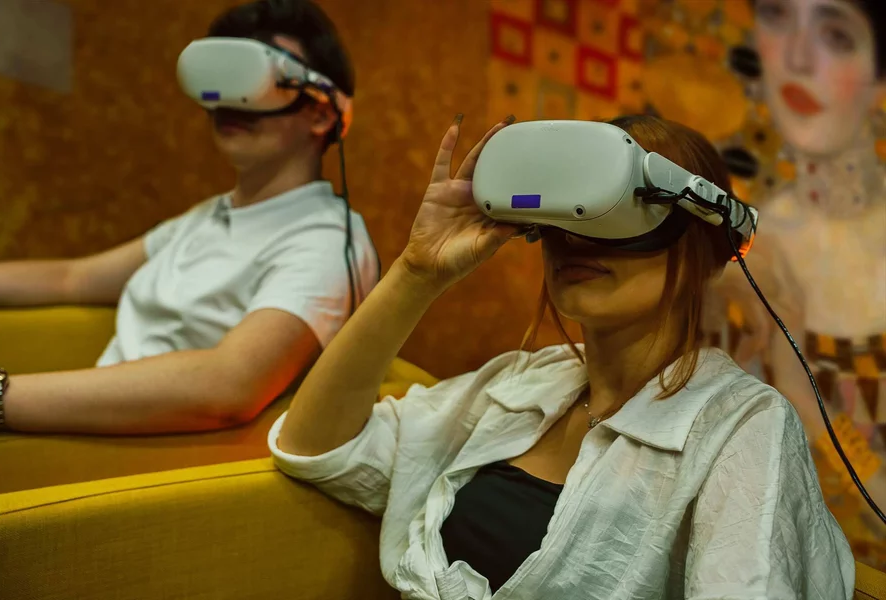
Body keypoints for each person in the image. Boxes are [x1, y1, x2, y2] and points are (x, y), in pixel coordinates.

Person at [268, 114, 853, 599]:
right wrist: (417, 273)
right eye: (568, 212)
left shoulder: (741, 426)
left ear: (709, 245)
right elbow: (316, 446)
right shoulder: (520, 384)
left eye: (617, 212)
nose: (575, 239)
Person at [0, 0, 378, 435]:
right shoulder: (209, 217)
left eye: (252, 79)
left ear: (321, 113)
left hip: (153, 460)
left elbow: (230, 385)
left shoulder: (324, 241)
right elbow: (72, 278)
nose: (229, 101)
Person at [711, 0, 886, 566]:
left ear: (880, 76)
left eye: (836, 35)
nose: (798, 57)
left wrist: (796, 382)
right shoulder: (732, 257)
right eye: (777, 17)